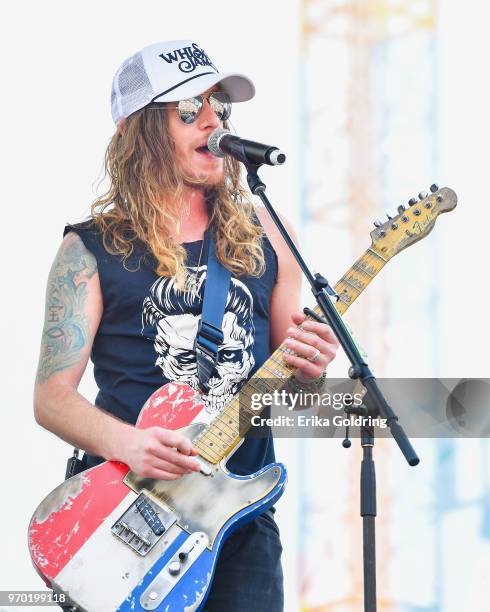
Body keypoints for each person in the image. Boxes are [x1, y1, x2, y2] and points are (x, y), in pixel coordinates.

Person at [33, 40, 340, 611]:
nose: (212, 121)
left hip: (238, 523)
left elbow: (294, 385)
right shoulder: (89, 250)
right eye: (186, 110)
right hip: (129, 520)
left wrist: (312, 370)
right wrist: (132, 444)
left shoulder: (268, 234)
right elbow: (51, 399)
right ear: (140, 130)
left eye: (219, 107)